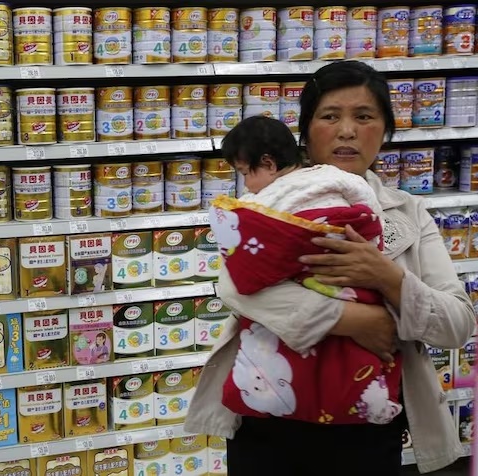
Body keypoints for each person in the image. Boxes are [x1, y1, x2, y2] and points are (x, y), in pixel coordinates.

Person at [184, 60, 475, 475]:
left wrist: (385, 275)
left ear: (385, 130)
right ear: (305, 130)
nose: (347, 131)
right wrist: (355, 319)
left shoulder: (408, 213)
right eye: (330, 116)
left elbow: (458, 325)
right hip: (267, 415)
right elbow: (234, 287)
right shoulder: (268, 203)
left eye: (364, 116)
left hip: (369, 425)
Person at [209, 115, 403, 426]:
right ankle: (371, 398)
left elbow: (242, 249)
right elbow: (370, 211)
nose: (245, 184)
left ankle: (281, 395)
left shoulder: (261, 201)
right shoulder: (334, 176)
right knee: (355, 352)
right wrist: (371, 244)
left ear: (269, 164)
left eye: (246, 173)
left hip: (302, 279)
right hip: (351, 276)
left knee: (281, 353)